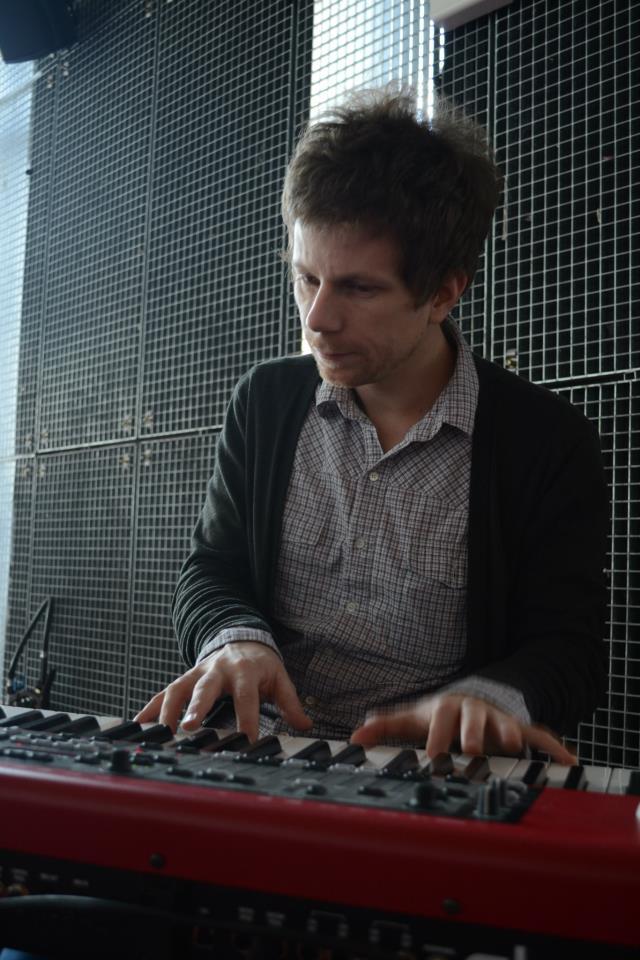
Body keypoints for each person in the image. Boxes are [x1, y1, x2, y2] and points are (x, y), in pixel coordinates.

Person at [136, 87, 608, 763]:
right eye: (306, 278)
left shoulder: (547, 442)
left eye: (357, 288)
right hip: (254, 752)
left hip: (430, 775)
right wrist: (235, 636)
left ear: (443, 292)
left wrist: (491, 697)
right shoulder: (265, 403)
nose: (317, 319)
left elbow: (569, 649)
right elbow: (212, 569)